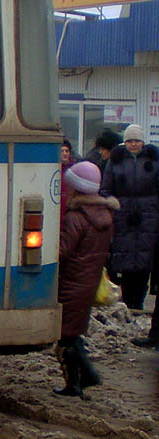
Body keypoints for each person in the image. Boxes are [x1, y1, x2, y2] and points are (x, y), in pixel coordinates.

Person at [54, 161, 117, 398]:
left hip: (71, 281)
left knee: (65, 336)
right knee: (73, 332)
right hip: (89, 281)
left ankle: (78, 382)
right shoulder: (105, 215)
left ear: (76, 187)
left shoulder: (76, 217)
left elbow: (63, 250)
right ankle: (82, 378)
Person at [99, 124, 159, 311]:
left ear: (143, 142)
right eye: (130, 141)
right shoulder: (116, 161)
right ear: (125, 142)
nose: (133, 144)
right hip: (123, 217)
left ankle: (138, 302)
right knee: (125, 261)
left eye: (137, 141)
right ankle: (127, 301)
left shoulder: (154, 160)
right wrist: (113, 206)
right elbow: (106, 189)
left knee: (144, 261)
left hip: (148, 217)